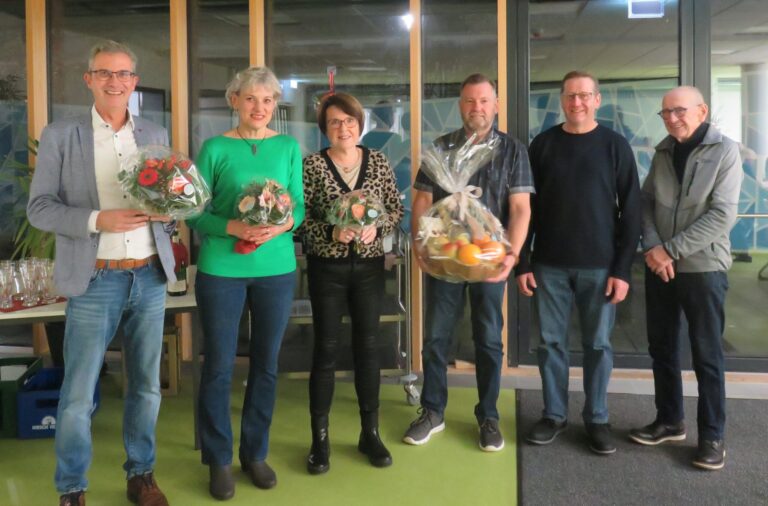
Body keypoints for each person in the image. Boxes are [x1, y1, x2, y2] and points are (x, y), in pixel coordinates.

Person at [27, 40, 174, 506]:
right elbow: (40, 208)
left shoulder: (153, 132)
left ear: (135, 81)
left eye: (125, 74)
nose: (116, 82)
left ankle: (141, 475)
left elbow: (168, 200)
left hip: (149, 276)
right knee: (77, 393)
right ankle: (72, 487)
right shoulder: (61, 135)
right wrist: (97, 219)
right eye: (105, 73)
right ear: (89, 78)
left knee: (147, 387)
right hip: (95, 279)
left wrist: (170, 213)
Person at [186, 66, 305, 500]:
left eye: (268, 100)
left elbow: (300, 210)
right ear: (233, 100)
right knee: (218, 366)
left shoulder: (289, 146)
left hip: (276, 268)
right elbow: (193, 211)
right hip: (221, 270)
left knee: (266, 364)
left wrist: (281, 226)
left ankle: (255, 453)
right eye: (251, 98)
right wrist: (232, 226)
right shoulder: (214, 148)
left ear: (276, 105)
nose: (260, 108)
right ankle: (218, 459)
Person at [403, 73, 533, 452]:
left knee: (489, 339)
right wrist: (419, 247)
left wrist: (511, 255)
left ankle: (488, 415)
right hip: (446, 259)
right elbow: (423, 202)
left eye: (483, 101)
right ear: (460, 105)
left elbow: (520, 209)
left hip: (490, 262)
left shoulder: (513, 151)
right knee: (435, 338)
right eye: (469, 101)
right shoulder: (441, 148)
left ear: (495, 105)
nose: (477, 108)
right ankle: (432, 411)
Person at [516, 70, 641, 455]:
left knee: (598, 346)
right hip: (549, 264)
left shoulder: (615, 146)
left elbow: (632, 212)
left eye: (585, 95)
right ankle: (554, 414)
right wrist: (523, 262)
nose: (577, 103)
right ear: (562, 100)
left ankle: (597, 418)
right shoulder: (543, 145)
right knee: (550, 343)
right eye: (570, 96)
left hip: (600, 266)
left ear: (597, 100)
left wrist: (622, 270)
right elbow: (527, 208)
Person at [629, 86, 742, 471]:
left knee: (706, 354)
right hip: (660, 266)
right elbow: (644, 202)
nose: (672, 118)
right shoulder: (662, 151)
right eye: (666, 112)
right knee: (662, 347)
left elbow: (722, 215)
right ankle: (669, 420)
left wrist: (669, 250)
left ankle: (712, 435)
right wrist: (654, 247)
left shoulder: (725, 151)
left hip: (703, 268)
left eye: (679, 110)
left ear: (702, 110)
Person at [298, 92, 404, 474]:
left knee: (369, 348)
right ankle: (319, 440)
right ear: (324, 129)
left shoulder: (377, 160)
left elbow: (395, 208)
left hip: (370, 270)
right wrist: (330, 229)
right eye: (334, 123)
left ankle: (369, 433)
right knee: (325, 349)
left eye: (349, 121)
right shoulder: (311, 165)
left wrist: (378, 228)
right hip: (327, 269)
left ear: (360, 124)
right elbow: (299, 218)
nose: (343, 128)